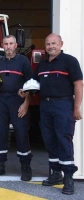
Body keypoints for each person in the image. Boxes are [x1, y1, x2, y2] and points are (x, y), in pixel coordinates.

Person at [32, 33, 83, 195]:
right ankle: (55, 174)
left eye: (54, 43)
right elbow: (33, 84)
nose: (51, 46)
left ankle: (68, 177)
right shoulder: (42, 65)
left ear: (61, 44)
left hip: (63, 104)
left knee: (63, 139)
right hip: (45, 105)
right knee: (49, 139)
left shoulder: (70, 61)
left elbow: (79, 84)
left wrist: (76, 107)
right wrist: (23, 91)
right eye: (48, 44)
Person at [0, 35, 33, 181]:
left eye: (11, 43)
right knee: (0, 133)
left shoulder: (23, 61)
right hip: (1, 100)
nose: (8, 46)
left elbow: (30, 85)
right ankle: (0, 165)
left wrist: (26, 104)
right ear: (3, 45)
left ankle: (25, 167)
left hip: (17, 100)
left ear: (16, 45)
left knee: (21, 133)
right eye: (6, 44)